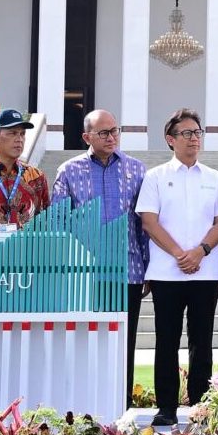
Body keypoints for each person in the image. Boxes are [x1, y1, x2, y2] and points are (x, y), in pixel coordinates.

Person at [135, 107, 218, 427]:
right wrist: (180, 254)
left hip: (205, 271)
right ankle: (166, 407)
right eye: (187, 134)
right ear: (170, 140)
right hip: (167, 272)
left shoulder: (215, 178)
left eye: (197, 133)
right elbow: (148, 221)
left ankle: (201, 405)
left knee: (201, 341)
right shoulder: (156, 177)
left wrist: (201, 251)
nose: (194, 139)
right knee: (167, 340)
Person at [53, 109, 150, 403]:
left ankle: (123, 405)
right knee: (84, 343)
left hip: (127, 270)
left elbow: (144, 223)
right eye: (104, 133)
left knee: (124, 344)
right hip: (85, 275)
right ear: (86, 137)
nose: (111, 138)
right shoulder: (68, 171)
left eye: (115, 131)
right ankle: (83, 404)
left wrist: (149, 267)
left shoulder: (137, 169)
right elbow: (58, 221)